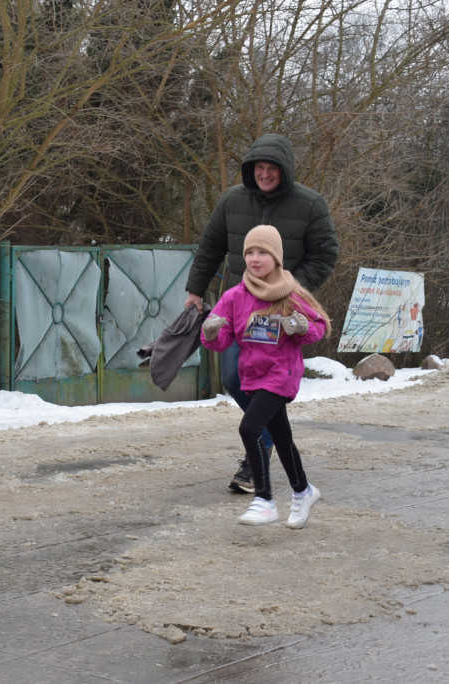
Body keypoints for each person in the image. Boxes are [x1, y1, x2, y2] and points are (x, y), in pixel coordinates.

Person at [184, 134, 338, 494]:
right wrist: (195, 291)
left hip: (282, 313)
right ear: (250, 170)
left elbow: (326, 254)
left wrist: (291, 289)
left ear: (285, 171)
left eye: (272, 169)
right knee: (234, 377)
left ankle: (259, 454)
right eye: (259, 168)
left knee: (270, 382)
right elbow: (210, 248)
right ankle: (267, 440)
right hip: (239, 309)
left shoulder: (310, 204)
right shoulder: (231, 200)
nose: (265, 175)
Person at [200, 225, 331, 528]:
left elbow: (319, 328)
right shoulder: (234, 297)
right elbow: (221, 339)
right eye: (249, 252)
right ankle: (303, 491)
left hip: (281, 374)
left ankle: (264, 499)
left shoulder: (291, 293)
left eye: (262, 253)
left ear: (276, 257)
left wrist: (300, 327)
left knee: (249, 428)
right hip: (253, 375)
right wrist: (210, 332)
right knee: (282, 438)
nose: (255, 259)